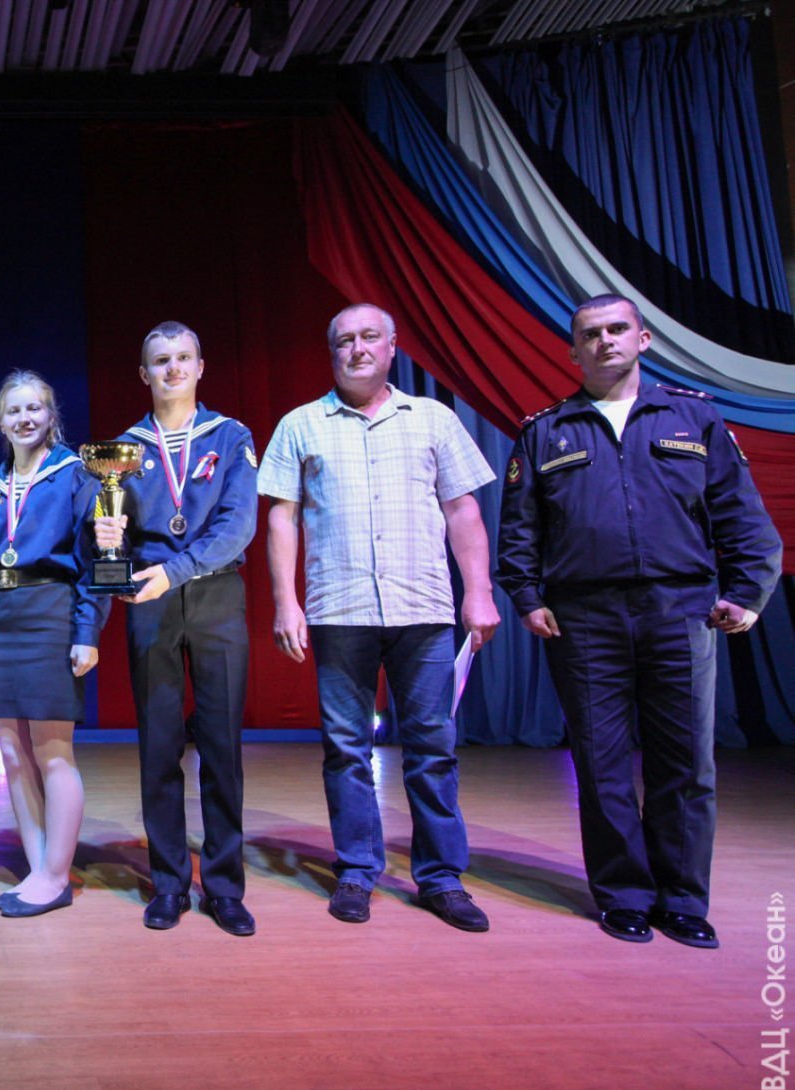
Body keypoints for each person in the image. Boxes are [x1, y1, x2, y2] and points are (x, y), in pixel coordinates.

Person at [497, 294, 781, 949]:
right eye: (590, 334)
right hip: (583, 618)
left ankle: (683, 899)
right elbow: (519, 530)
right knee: (601, 764)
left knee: (685, 763)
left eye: (617, 328)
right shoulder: (544, 431)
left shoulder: (694, 417)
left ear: (643, 339)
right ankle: (624, 894)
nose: (605, 341)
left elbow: (741, 514)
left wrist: (747, 592)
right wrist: (527, 597)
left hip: (681, 611)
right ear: (573, 351)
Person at [259, 303, 498, 933]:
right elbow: (281, 518)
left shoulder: (434, 419)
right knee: (345, 749)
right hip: (340, 610)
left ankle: (441, 878)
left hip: (423, 608)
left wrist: (479, 592)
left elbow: (463, 511)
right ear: (332, 352)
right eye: (345, 340)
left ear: (392, 347)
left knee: (432, 747)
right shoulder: (300, 424)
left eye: (370, 337)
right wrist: (286, 601)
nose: (357, 348)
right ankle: (357, 871)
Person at [94, 320, 258, 935]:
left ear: (200, 366)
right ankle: (168, 884)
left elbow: (239, 524)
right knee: (159, 747)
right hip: (149, 598)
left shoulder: (232, 435)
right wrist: (105, 537)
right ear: (144, 373)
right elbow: (109, 534)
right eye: (160, 360)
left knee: (221, 747)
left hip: (216, 594)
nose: (173, 368)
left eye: (183, 357)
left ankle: (225, 887)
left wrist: (178, 569)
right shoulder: (124, 450)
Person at [0, 371, 106, 918]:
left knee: (53, 752)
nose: (25, 418)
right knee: (10, 751)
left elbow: (97, 561)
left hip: (50, 614)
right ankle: (37, 870)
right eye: (14, 410)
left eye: (35, 408)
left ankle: (55, 876)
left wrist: (86, 633)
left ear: (51, 416)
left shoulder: (77, 475)